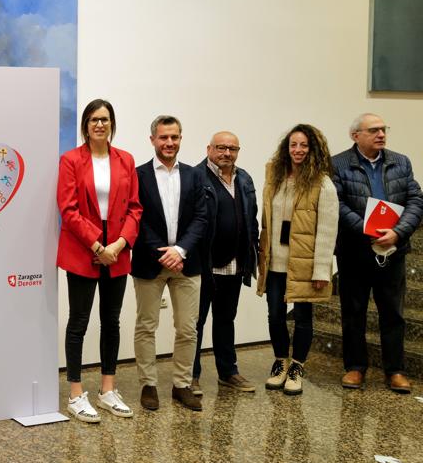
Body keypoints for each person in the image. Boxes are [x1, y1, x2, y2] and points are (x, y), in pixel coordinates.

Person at [56, 98, 143, 422]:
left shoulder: (125, 160)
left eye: (105, 119)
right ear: (85, 125)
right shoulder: (70, 160)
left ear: (112, 124)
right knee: (78, 321)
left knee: (111, 320)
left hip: (117, 250)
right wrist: (97, 246)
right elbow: (68, 209)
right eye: (94, 119)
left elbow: (135, 208)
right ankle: (75, 393)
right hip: (84, 249)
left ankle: (108, 390)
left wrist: (118, 244)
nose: (100, 124)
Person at [332, 113, 423, 393]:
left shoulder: (401, 162)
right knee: (353, 311)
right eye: (373, 130)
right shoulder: (337, 164)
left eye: (383, 129)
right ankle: (355, 367)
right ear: (355, 135)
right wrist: (367, 229)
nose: (381, 134)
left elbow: (415, 200)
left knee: (393, 313)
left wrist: (398, 232)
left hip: (393, 249)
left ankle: (395, 370)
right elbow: (336, 204)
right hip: (354, 251)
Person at [131, 115, 208, 412]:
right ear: (152, 139)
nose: (169, 142)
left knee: (188, 328)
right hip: (150, 263)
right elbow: (136, 218)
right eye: (163, 137)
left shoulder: (194, 175)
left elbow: (201, 217)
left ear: (180, 139)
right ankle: (148, 385)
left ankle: (182, 385)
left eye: (174, 137)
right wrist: (163, 252)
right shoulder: (138, 175)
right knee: (146, 325)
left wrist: (180, 250)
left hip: (187, 263)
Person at [256, 124, 338, 396]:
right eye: (293, 145)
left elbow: (327, 229)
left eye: (304, 145)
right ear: (286, 148)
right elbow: (266, 220)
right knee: (275, 316)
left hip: (304, 263)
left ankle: (297, 367)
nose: (298, 150)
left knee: (303, 318)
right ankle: (280, 362)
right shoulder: (275, 177)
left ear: (313, 149)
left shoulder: (322, 183)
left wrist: (321, 270)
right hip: (275, 263)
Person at [191, 131, 259, 396]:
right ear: (209, 149)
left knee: (225, 319)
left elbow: (251, 219)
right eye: (221, 147)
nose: (227, 153)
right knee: (194, 323)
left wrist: (253, 254)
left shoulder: (244, 178)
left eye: (232, 149)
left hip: (235, 264)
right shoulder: (195, 177)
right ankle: (190, 376)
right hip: (203, 265)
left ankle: (228, 372)